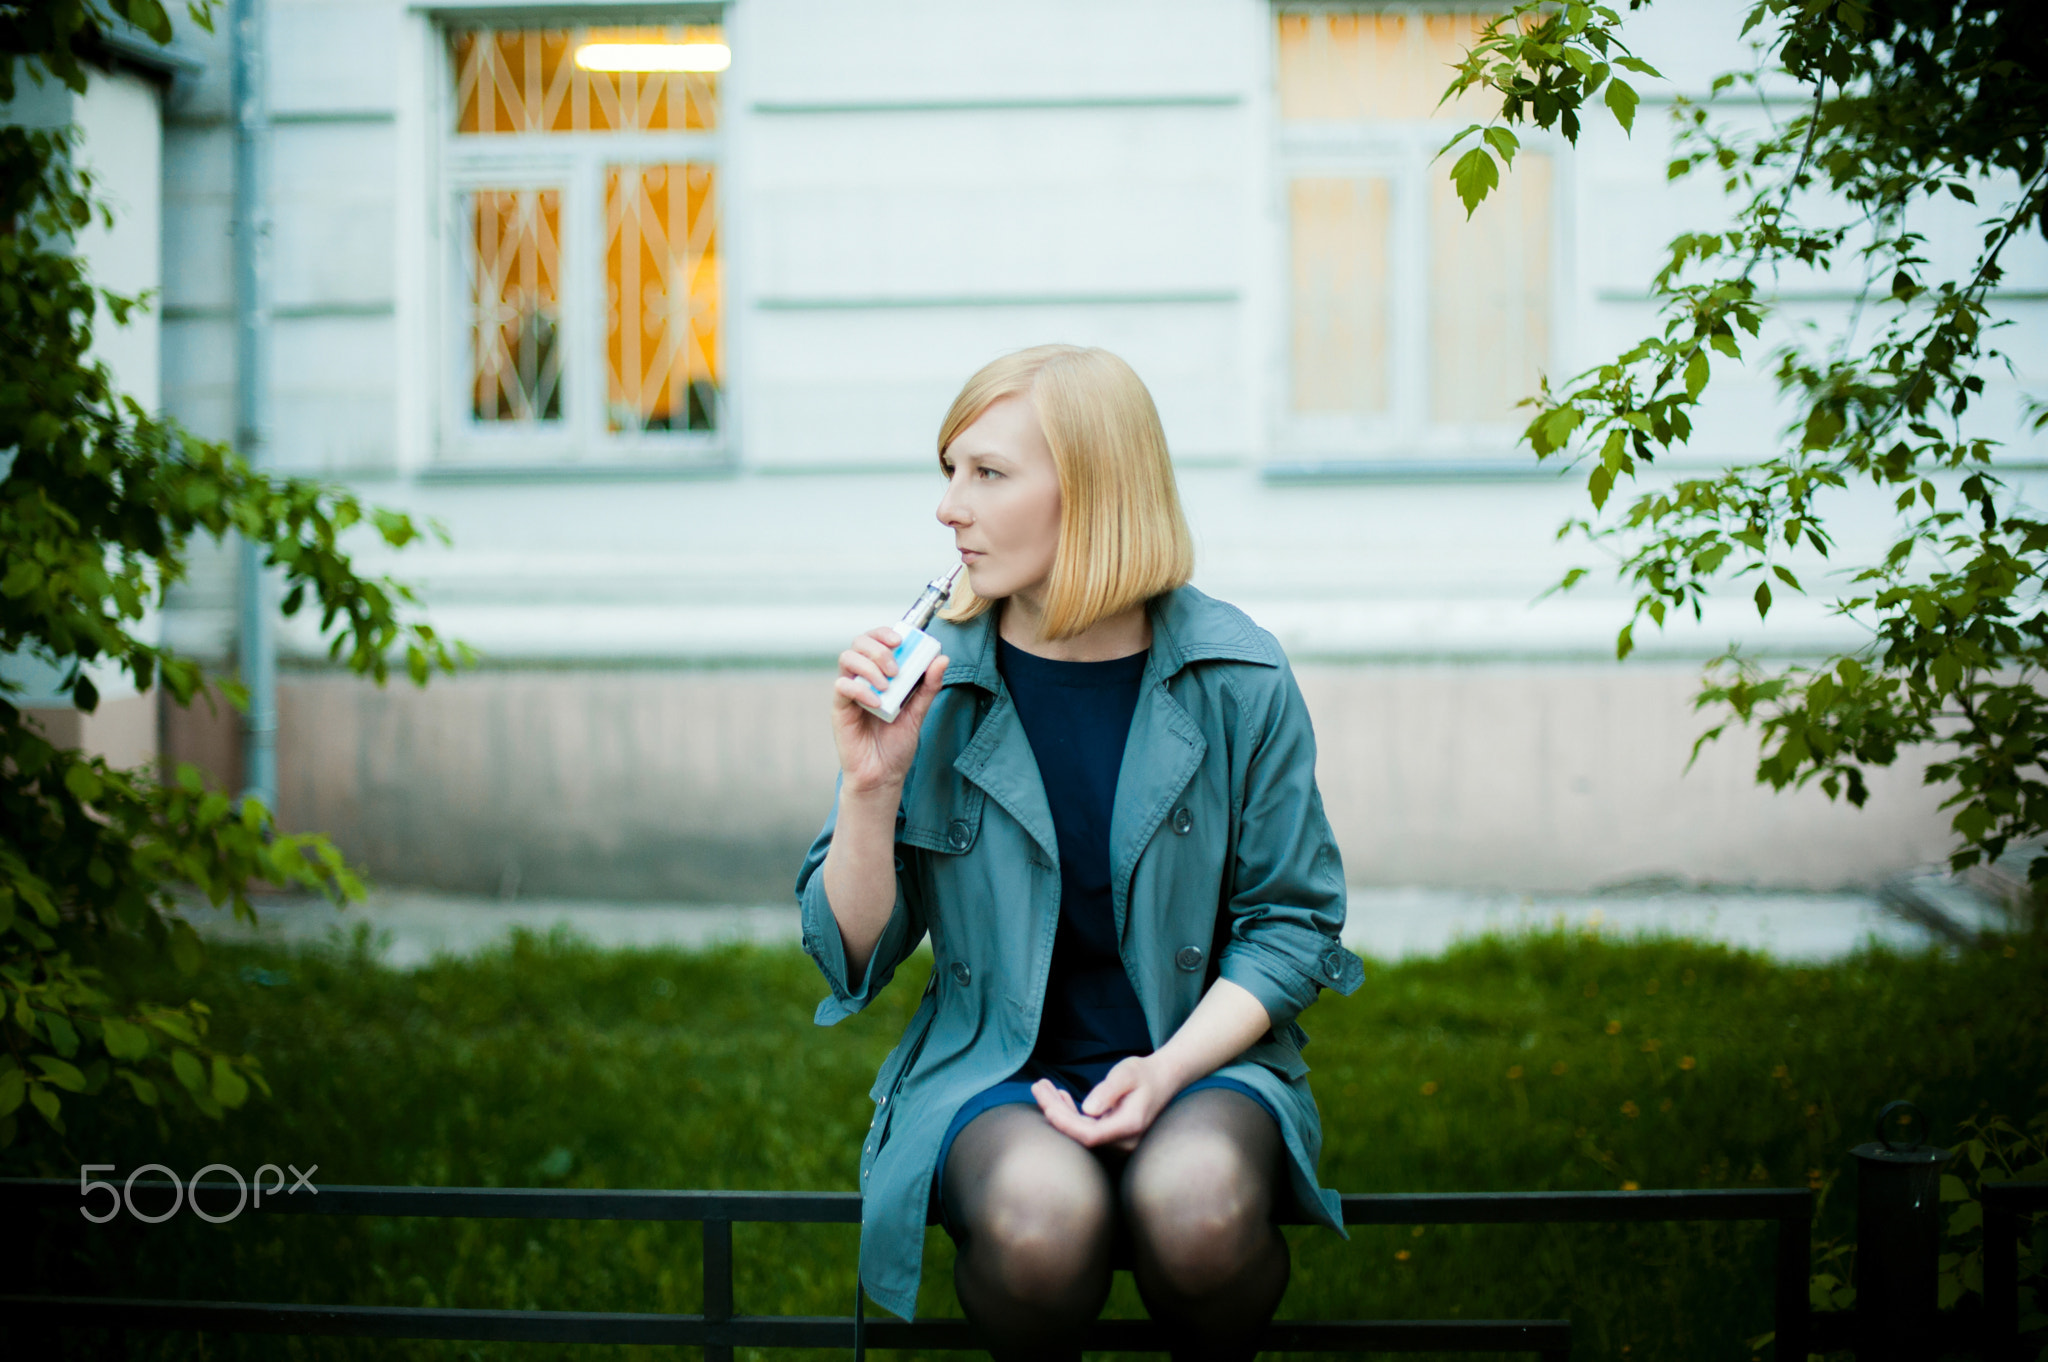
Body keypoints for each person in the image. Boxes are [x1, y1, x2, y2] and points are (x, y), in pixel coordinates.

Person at [795, 343, 1365, 1361]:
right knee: (1037, 1225)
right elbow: (851, 956)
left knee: (1196, 1214)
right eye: (948, 471)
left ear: (1093, 493)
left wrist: (1165, 1071)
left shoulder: (1236, 679)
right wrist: (869, 788)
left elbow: (1289, 924)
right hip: (991, 1069)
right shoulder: (940, 684)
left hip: (1201, 1060)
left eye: (988, 474)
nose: (947, 508)